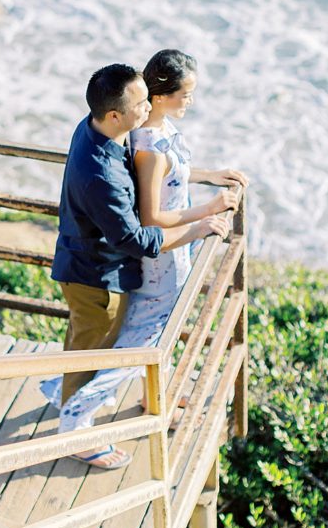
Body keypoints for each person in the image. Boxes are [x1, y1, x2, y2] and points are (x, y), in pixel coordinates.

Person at [50, 51, 247, 468]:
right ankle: (73, 428)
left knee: (127, 342)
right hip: (97, 274)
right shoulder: (104, 171)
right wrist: (203, 218)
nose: (147, 104)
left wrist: (207, 176)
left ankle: (145, 398)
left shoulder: (107, 130)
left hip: (105, 263)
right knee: (115, 351)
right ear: (116, 115)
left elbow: (159, 173)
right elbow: (141, 231)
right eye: (141, 102)